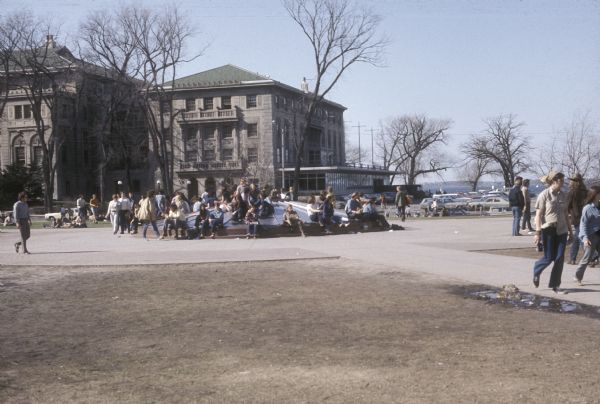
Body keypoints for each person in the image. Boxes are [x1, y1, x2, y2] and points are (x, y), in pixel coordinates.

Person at [532, 171, 572, 293]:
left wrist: (571, 231)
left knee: (559, 258)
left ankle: (555, 285)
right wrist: (537, 233)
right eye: (561, 181)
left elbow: (566, 214)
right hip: (548, 230)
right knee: (549, 258)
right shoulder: (544, 195)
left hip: (562, 230)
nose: (563, 183)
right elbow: (538, 215)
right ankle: (537, 270)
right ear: (554, 181)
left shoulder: (564, 195)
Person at [573, 186, 600, 285]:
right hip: (590, 236)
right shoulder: (588, 208)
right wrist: (585, 238)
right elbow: (583, 224)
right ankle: (577, 276)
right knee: (587, 257)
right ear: (595, 195)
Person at [567, 173, 587, 265]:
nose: (570, 182)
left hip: (577, 217)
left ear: (576, 182)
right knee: (578, 237)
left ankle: (591, 257)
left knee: (580, 237)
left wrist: (567, 215)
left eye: (572, 180)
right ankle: (572, 258)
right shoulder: (586, 191)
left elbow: (567, 205)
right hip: (585, 216)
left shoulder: (572, 192)